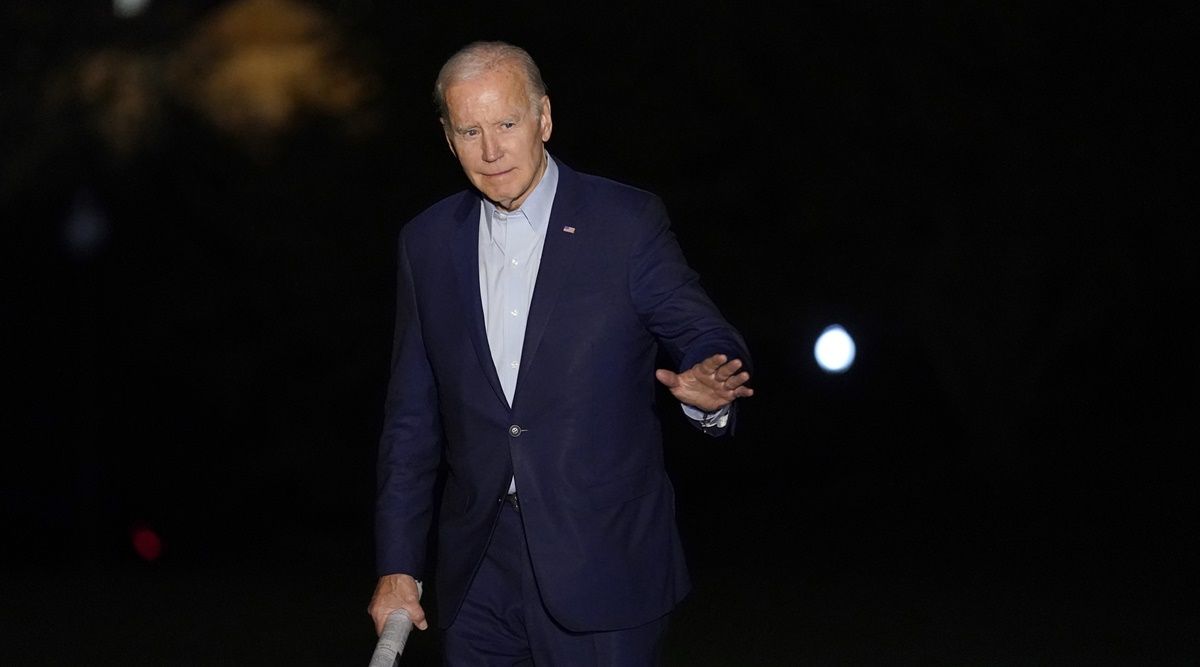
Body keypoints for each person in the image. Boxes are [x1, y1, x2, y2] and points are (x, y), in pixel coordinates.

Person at [367, 41, 753, 665]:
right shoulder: (427, 242)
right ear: (448, 139)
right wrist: (397, 565)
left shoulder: (624, 222)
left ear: (543, 118)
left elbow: (702, 332)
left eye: (506, 123)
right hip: (478, 573)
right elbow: (411, 420)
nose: (491, 151)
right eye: (470, 131)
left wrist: (710, 383)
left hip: (604, 565)